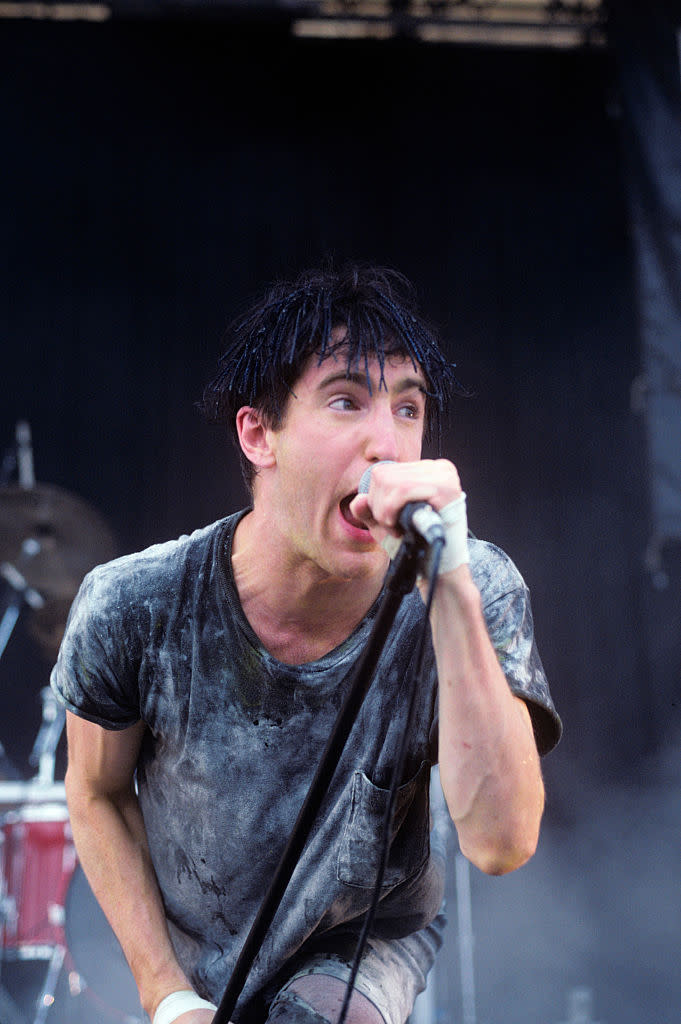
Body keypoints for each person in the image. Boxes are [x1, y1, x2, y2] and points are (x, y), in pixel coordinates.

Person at [51, 265, 561, 1024]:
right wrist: (166, 995)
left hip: (363, 940)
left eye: (409, 408)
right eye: (346, 400)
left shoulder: (470, 586)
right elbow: (94, 792)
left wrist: (446, 582)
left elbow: (501, 843)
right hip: (199, 955)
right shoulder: (135, 604)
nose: (386, 442)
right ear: (259, 434)